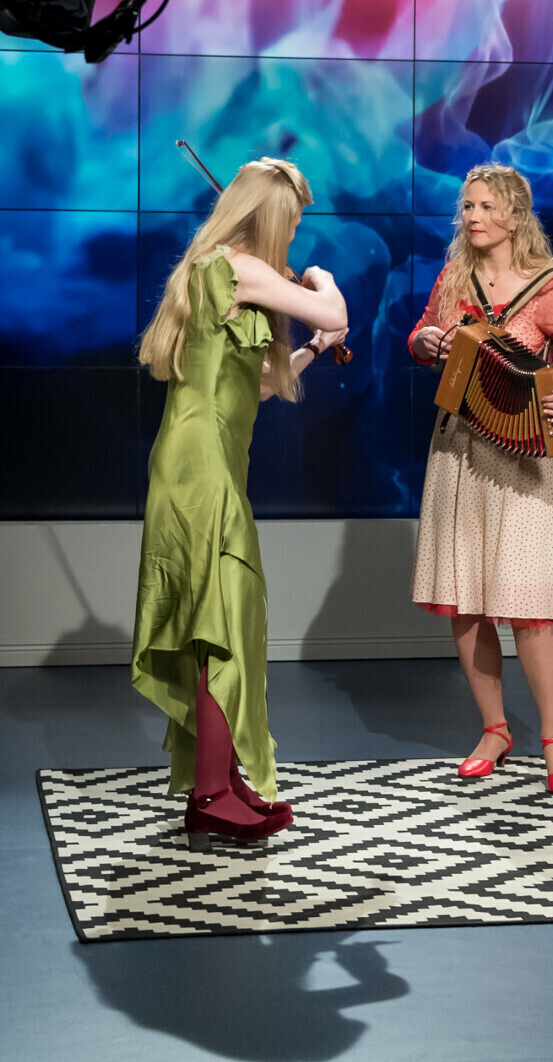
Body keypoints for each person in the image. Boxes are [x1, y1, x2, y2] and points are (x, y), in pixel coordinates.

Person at [131, 158, 349, 848]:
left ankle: (220, 783)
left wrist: (312, 350)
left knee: (220, 619)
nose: (296, 238)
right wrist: (321, 281)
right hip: (200, 466)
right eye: (294, 223)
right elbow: (335, 308)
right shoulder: (236, 267)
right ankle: (210, 794)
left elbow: (255, 387)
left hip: (205, 461)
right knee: (220, 620)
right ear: (271, 219)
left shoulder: (219, 273)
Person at [407, 164, 553, 795]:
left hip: (526, 463)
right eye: (467, 206)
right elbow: (418, 338)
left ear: (516, 217)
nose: (473, 217)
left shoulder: (551, 286)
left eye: (486, 207)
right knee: (467, 603)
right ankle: (494, 730)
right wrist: (427, 343)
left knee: (531, 607)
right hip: (459, 453)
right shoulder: (453, 277)